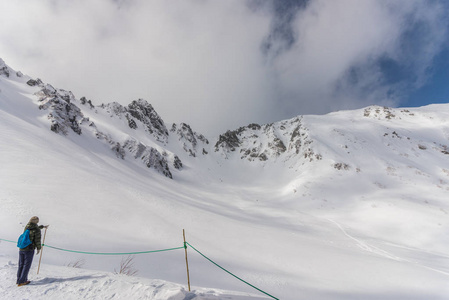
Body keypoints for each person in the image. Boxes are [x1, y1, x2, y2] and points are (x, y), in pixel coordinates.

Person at [17, 216, 49, 286]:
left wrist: (42, 227)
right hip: (29, 249)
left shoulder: (27, 226)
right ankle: (22, 281)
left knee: (21, 264)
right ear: (36, 221)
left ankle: (19, 279)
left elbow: (34, 229)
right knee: (26, 265)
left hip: (21, 248)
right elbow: (37, 240)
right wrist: (39, 248)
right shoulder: (36, 230)